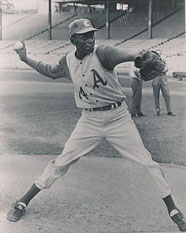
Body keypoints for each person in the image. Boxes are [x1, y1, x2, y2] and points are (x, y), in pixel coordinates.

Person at [7, 18, 186, 231]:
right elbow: (50, 71)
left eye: (91, 34)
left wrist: (139, 57)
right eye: (84, 36)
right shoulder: (67, 62)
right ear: (73, 39)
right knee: (62, 162)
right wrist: (25, 58)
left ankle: (174, 210)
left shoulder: (104, 53)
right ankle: (23, 201)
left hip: (118, 118)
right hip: (89, 121)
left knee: (148, 162)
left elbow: (131, 56)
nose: (90, 39)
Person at [151, 51, 175, 116]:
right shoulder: (152, 62)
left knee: (167, 95)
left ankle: (169, 111)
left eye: (159, 54)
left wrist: (160, 70)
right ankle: (157, 110)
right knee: (156, 96)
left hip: (163, 80)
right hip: (156, 80)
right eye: (157, 54)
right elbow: (152, 70)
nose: (158, 55)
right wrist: (159, 71)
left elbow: (166, 69)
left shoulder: (164, 61)